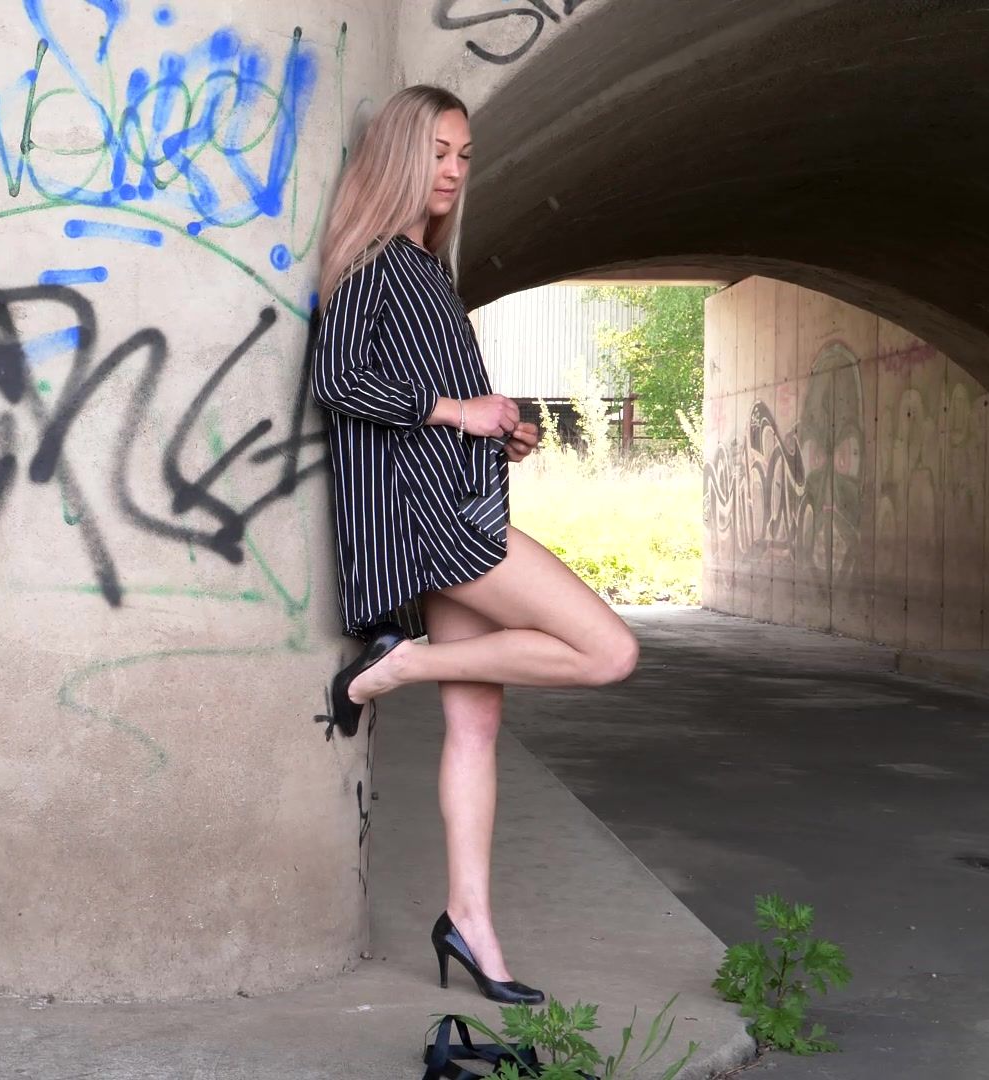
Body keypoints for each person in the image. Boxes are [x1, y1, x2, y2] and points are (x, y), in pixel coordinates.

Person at [307, 84, 641, 1006]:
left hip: (458, 490)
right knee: (609, 652)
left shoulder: (427, 271)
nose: (454, 170)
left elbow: (433, 400)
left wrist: (499, 430)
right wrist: (460, 412)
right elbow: (337, 379)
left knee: (478, 726)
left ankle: (469, 923)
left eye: (464, 155)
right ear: (399, 155)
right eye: (438, 152)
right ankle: (399, 667)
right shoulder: (375, 261)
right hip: (442, 520)